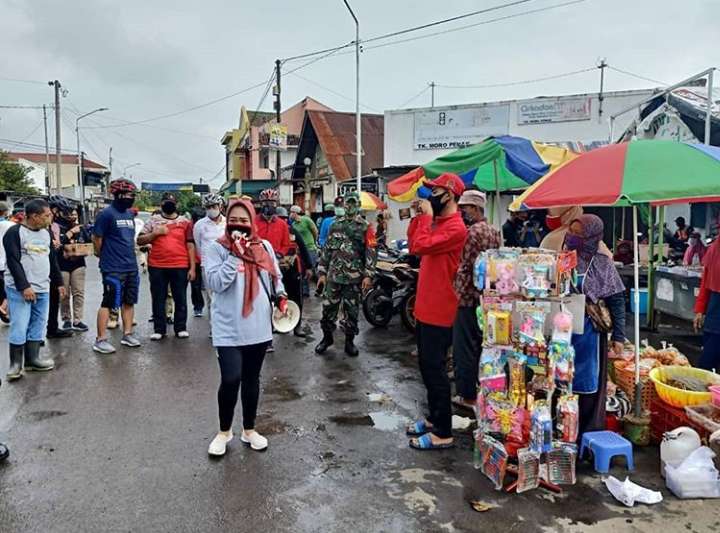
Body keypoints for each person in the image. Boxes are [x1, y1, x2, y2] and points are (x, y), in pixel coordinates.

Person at [203, 198, 288, 456]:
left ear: (252, 222)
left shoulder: (264, 247)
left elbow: (274, 277)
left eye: (244, 220)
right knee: (230, 379)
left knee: (252, 379)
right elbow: (215, 283)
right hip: (228, 327)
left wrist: (282, 296)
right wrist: (234, 256)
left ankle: (249, 430)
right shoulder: (216, 248)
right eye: (234, 220)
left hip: (259, 327)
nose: (239, 225)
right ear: (227, 222)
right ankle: (223, 432)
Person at [405, 173, 467, 451]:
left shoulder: (456, 228)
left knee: (436, 369)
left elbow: (420, 245)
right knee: (426, 368)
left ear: (450, 195)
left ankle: (443, 431)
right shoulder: (438, 223)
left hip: (441, 310)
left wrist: (425, 218)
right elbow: (413, 244)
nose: (431, 196)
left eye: (436, 191)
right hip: (425, 307)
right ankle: (433, 418)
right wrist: (420, 218)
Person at [566, 214, 626, 439]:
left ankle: (585, 437)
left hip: (590, 336)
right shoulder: (564, 258)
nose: (572, 237)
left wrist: (618, 337)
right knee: (562, 384)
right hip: (562, 335)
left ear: (592, 237)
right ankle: (564, 434)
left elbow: (617, 301)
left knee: (587, 387)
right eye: (571, 232)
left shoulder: (603, 263)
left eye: (579, 234)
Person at [3, 198, 64, 380]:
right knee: (20, 325)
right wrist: (24, 286)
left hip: (43, 287)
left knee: (38, 324)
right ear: (34, 216)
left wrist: (58, 282)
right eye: (46, 215)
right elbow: (13, 261)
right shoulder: (14, 233)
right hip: (19, 289)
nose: (50, 218)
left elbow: (51, 260)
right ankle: (15, 365)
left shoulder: (46, 233)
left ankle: (33, 360)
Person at [452, 190, 500, 410]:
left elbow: (464, 264)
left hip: (467, 296)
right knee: (481, 345)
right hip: (487, 297)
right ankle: (481, 388)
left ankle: (467, 394)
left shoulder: (471, 233)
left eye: (466, 208)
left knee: (464, 347)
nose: (463, 212)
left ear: (476, 208)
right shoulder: (494, 231)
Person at [315, 192, 377, 357]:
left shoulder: (366, 227)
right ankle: (327, 338)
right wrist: (321, 272)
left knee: (352, 311)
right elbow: (327, 250)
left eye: (352, 203)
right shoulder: (335, 225)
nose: (349, 206)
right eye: (346, 203)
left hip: (353, 278)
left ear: (358, 205)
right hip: (334, 277)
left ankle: (349, 342)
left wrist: (368, 275)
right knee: (328, 309)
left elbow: (371, 252)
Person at [92, 178, 142, 354]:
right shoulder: (106, 214)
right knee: (109, 302)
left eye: (132, 195)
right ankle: (100, 339)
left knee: (129, 301)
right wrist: (102, 255)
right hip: (112, 267)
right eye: (128, 194)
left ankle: (127, 334)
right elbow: (97, 239)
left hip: (131, 266)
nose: (130, 197)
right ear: (118, 195)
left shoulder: (129, 214)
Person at [138, 192, 196, 340]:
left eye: (172, 202)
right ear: (161, 204)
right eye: (165, 202)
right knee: (158, 298)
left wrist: (192, 267)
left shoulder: (185, 222)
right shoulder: (153, 221)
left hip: (180, 265)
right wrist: (154, 234)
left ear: (177, 205)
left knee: (180, 298)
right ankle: (159, 329)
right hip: (157, 265)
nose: (169, 204)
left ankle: (181, 327)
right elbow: (140, 240)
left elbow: (190, 246)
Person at [276, 207, 314, 336]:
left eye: (284, 219)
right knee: (278, 298)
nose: (283, 221)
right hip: (277, 271)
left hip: (293, 270)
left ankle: (297, 326)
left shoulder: (293, 232)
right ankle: (280, 324)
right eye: (280, 219)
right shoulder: (272, 233)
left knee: (296, 298)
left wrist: (309, 267)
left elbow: (303, 249)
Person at [193, 193, 226, 322]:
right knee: (212, 298)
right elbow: (198, 246)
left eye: (214, 206)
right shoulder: (199, 225)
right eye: (208, 207)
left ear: (220, 206)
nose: (211, 209)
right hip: (208, 266)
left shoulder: (228, 223)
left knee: (227, 296)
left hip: (226, 264)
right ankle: (215, 327)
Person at [57, 208, 92, 331]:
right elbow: (58, 244)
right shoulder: (59, 227)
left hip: (78, 264)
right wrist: (71, 232)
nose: (73, 216)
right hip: (62, 265)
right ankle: (66, 319)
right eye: (70, 213)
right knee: (64, 294)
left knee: (78, 292)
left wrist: (82, 251)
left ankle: (78, 320)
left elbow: (89, 243)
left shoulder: (82, 228)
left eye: (75, 214)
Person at [46, 195, 73, 339]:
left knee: (54, 299)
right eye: (62, 211)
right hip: (41, 269)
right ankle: (33, 336)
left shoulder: (52, 226)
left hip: (53, 266)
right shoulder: (42, 225)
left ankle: (52, 328)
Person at [541, 206, 612, 257]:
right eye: (570, 231)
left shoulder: (595, 245)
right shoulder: (551, 239)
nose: (572, 235)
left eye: (577, 233)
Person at [694, 238, 720, 370]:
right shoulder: (715, 248)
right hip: (714, 312)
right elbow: (705, 283)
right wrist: (700, 310)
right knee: (707, 362)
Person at [289, 205, 318, 296]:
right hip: (300, 251)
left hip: (310, 248)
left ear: (295, 213)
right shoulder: (293, 225)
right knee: (301, 271)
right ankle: (305, 291)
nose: (290, 214)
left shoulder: (306, 220)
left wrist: (313, 241)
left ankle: (315, 288)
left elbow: (315, 231)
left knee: (310, 269)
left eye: (292, 212)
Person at [255, 189, 290, 257]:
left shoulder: (282, 224)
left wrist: (280, 254)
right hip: (257, 259)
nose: (268, 205)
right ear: (261, 204)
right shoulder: (253, 221)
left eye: (272, 203)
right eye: (265, 202)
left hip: (275, 259)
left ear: (276, 204)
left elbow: (286, 244)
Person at [0, 201, 15, 323]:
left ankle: (4, 312)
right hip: (6, 263)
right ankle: (4, 309)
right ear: (5, 212)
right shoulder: (10, 225)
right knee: (9, 289)